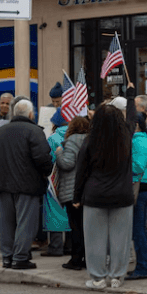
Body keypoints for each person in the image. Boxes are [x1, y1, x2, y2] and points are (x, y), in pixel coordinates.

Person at [0, 97, 54, 269]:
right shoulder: (34, 131)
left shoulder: (1, 131)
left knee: (6, 223)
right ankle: (20, 257)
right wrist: (46, 173)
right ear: (31, 114)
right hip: (27, 185)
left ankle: (7, 257)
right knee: (25, 222)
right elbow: (43, 158)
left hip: (3, 184)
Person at [76, 100, 137, 291]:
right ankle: (117, 276)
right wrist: (130, 94)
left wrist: (76, 197)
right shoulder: (126, 138)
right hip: (122, 196)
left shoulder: (90, 141)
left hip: (95, 195)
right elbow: (133, 120)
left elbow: (81, 171)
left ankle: (98, 278)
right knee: (121, 239)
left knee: (94, 239)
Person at [124, 102, 147, 280]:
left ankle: (144, 267)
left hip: (141, 188)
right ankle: (142, 265)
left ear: (135, 125)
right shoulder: (142, 140)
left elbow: (137, 166)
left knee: (138, 231)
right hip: (145, 187)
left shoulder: (138, 142)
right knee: (139, 230)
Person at [52, 112, 89, 270]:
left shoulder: (71, 141)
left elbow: (67, 164)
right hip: (87, 191)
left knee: (75, 227)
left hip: (71, 190)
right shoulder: (90, 140)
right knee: (86, 228)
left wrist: (59, 153)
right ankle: (88, 259)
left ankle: (75, 259)